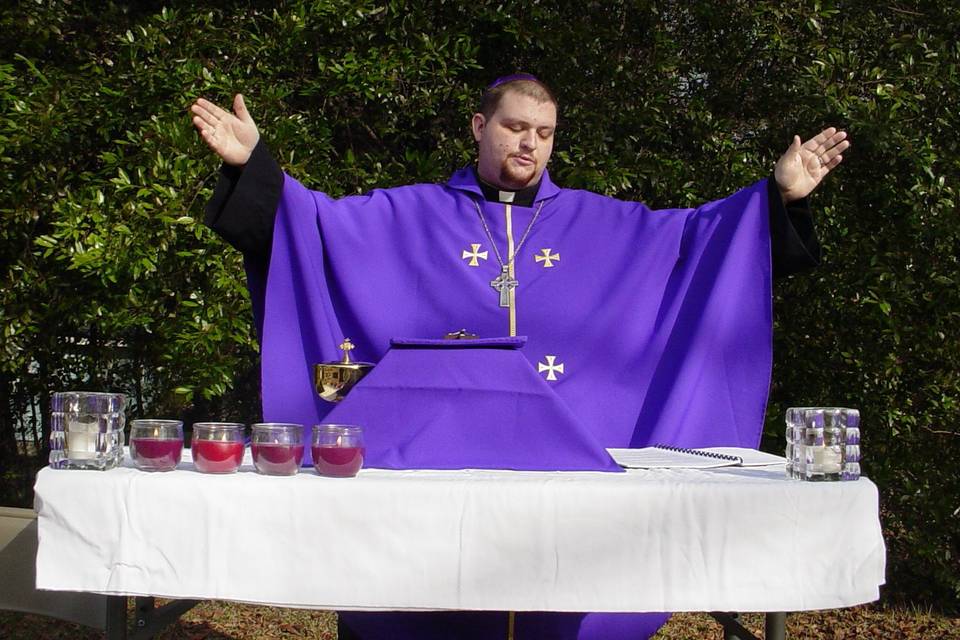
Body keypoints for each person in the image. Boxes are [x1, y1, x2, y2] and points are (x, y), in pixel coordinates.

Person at [192, 74, 848, 640]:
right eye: (514, 126)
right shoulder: (408, 216)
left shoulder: (609, 227)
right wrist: (254, 169)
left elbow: (701, 241)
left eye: (544, 131)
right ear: (480, 126)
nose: (529, 142)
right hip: (433, 485)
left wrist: (776, 197)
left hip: (569, 488)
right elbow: (312, 228)